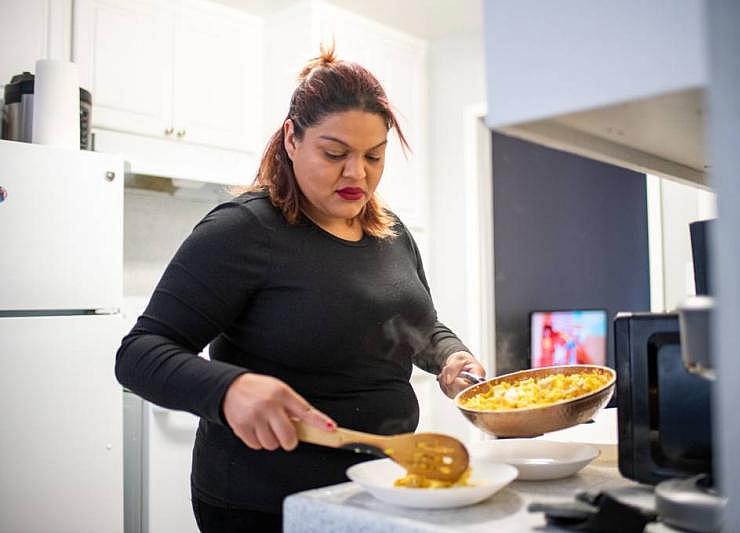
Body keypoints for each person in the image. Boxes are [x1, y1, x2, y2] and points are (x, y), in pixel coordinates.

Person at [115, 48, 485, 533]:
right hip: (267, 506)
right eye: (335, 154)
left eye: (374, 156)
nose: (358, 174)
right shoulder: (244, 230)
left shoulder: (390, 230)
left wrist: (449, 356)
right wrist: (229, 389)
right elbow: (139, 353)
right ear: (291, 138)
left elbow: (419, 327)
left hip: (380, 485)